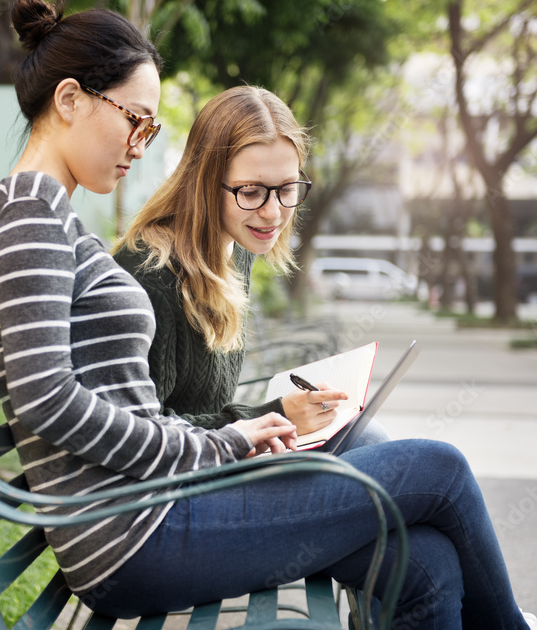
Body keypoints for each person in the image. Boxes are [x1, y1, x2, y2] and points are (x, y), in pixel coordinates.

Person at [0, 0, 537, 630]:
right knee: (440, 467)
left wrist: (236, 436)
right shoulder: (28, 214)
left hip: (157, 508)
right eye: (135, 119)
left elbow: (92, 399)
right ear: (70, 99)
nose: (140, 143)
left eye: (151, 128)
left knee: (427, 561)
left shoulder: (47, 215)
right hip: (136, 535)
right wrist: (228, 440)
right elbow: (48, 400)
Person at [112, 86, 389, 448]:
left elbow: (205, 407)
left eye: (287, 188)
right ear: (206, 185)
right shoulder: (151, 276)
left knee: (366, 434)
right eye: (252, 191)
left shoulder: (235, 249)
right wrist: (273, 416)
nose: (273, 212)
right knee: (435, 467)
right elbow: (138, 433)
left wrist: (277, 419)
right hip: (180, 489)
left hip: (222, 463)